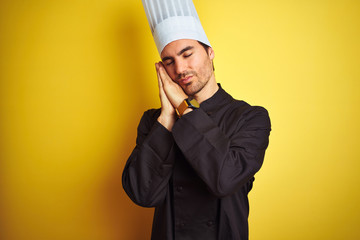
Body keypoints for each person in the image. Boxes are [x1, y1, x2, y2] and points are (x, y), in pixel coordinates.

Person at [122, 1, 271, 239]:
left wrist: (184, 106)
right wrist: (168, 117)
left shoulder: (250, 118)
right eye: (169, 61)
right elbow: (143, 194)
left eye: (187, 54)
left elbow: (224, 179)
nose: (180, 69)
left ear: (210, 52)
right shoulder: (154, 121)